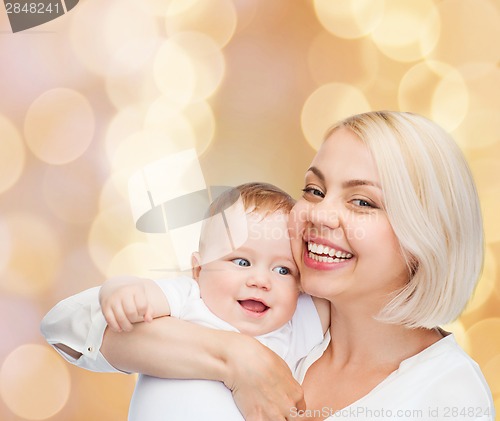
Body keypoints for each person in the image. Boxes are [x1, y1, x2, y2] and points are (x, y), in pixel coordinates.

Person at [42, 111, 495, 421]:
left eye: (362, 201)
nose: (318, 214)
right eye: (314, 191)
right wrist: (236, 358)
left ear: (426, 235)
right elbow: (68, 327)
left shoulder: (449, 397)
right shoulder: (273, 301)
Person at [41, 182, 329, 420]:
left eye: (283, 270)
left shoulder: (290, 328)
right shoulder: (189, 297)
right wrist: (118, 290)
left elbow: (341, 300)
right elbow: (137, 294)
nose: (261, 280)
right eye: (241, 261)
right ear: (199, 270)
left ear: (300, 287)